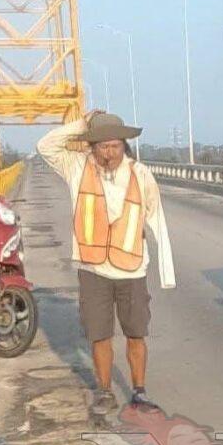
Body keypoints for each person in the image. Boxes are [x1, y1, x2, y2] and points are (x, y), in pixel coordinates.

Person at [37, 110, 176, 413]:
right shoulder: (76, 167)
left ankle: (139, 392)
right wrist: (82, 124)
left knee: (136, 333)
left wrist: (166, 271)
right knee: (99, 334)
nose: (109, 153)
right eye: (102, 146)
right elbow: (45, 146)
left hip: (132, 269)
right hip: (93, 269)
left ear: (124, 145)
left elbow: (156, 217)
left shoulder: (141, 174)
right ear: (92, 146)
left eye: (115, 146)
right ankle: (104, 391)